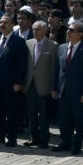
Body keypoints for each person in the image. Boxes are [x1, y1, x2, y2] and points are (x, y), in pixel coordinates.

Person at [0, 11, 29, 145]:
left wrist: (18, 82)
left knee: (12, 112)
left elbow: (22, 64)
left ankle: (12, 137)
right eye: (1, 22)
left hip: (11, 84)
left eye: (5, 22)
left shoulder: (19, 42)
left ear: (12, 25)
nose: (2, 24)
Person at [56, 22, 83, 154]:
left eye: (71, 30)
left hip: (78, 91)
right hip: (62, 90)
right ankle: (65, 141)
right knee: (63, 118)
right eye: (68, 30)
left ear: (80, 35)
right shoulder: (62, 48)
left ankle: (77, 144)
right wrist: (54, 87)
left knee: (78, 118)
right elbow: (57, 69)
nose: (68, 32)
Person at [25, 19, 57, 148]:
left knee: (43, 114)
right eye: (33, 29)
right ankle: (34, 137)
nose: (35, 32)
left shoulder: (53, 45)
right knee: (31, 113)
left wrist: (53, 86)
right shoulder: (28, 43)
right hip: (30, 84)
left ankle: (45, 138)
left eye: (38, 29)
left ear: (45, 31)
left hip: (44, 85)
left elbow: (54, 68)